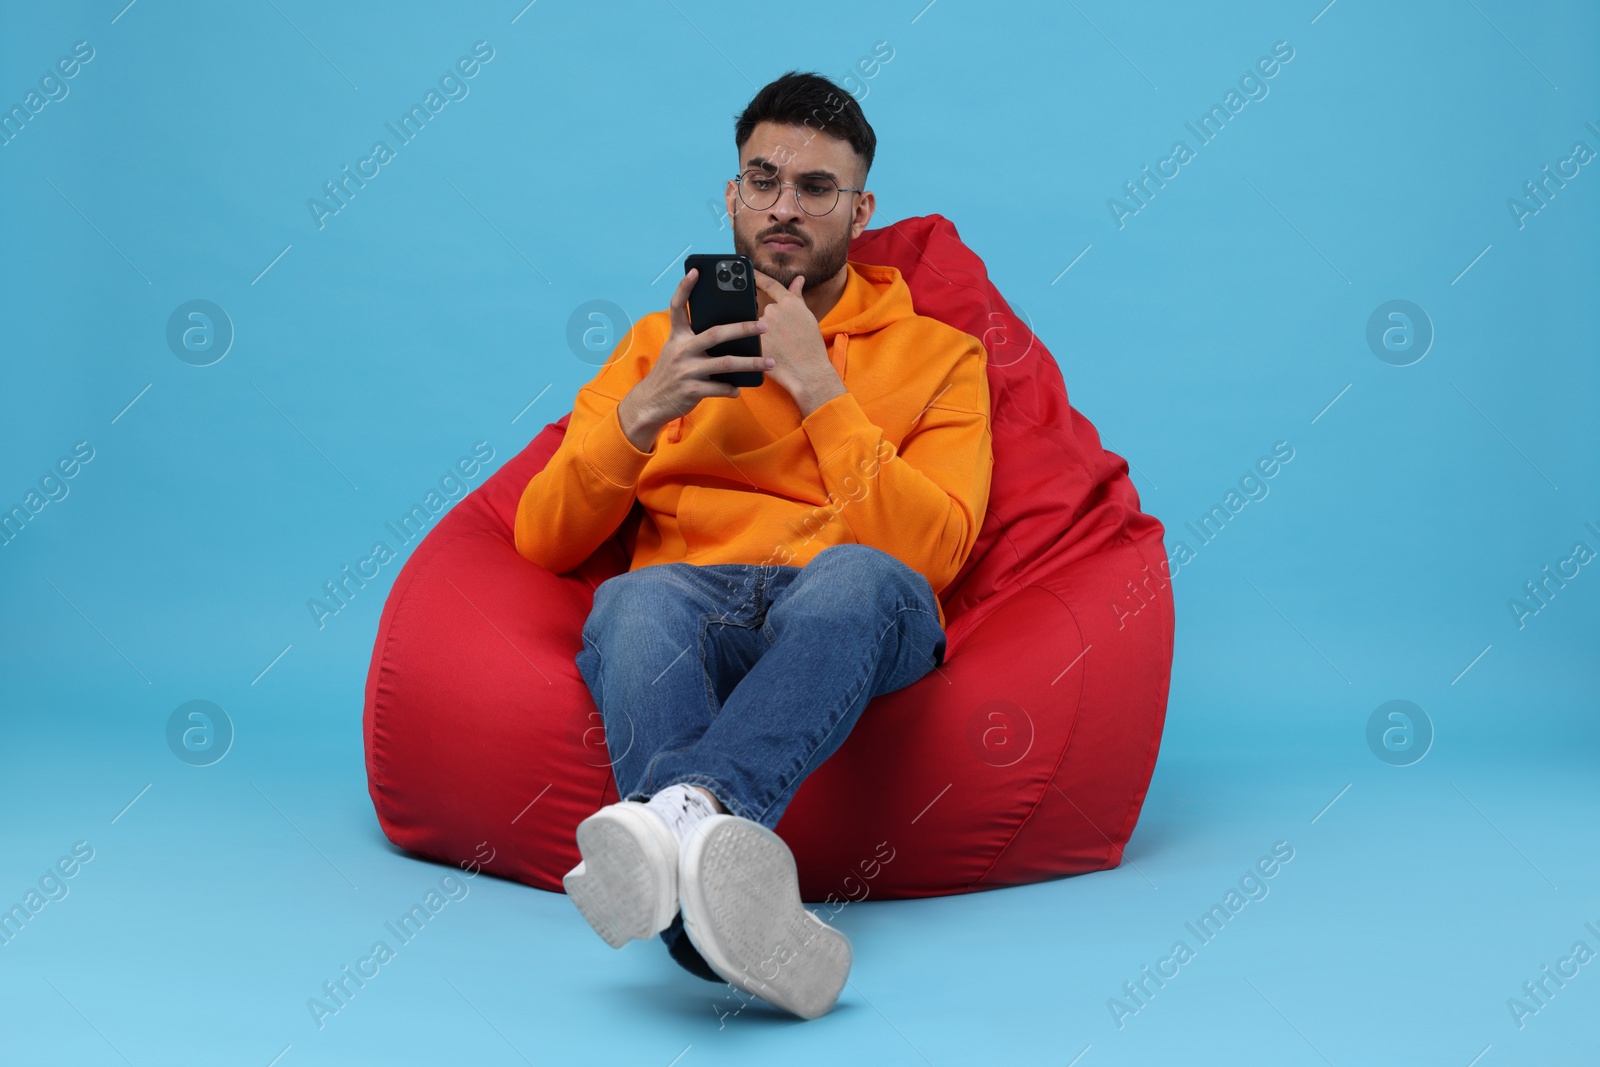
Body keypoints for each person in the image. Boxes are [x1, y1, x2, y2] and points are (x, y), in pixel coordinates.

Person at [512, 70, 993, 1019]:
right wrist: (648, 410)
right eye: (762, 179)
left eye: (816, 189)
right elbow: (542, 536)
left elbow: (932, 553)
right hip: (696, 604)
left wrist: (823, 392)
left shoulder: (940, 357)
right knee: (635, 599)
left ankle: (672, 819)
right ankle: (721, 872)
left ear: (860, 209)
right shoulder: (661, 342)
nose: (784, 207)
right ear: (731, 195)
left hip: (848, 611)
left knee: (858, 574)